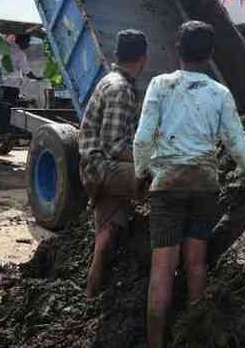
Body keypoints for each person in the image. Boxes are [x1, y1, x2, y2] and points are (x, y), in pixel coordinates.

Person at [133, 21, 245, 348]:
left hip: (167, 186)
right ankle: (193, 338)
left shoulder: (160, 86)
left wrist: (142, 174)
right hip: (205, 185)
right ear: (210, 55)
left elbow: (142, 139)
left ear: (177, 50)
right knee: (196, 263)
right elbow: (236, 143)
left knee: (162, 269)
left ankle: (155, 342)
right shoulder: (219, 93)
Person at [78, 29, 151, 298]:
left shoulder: (113, 81)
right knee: (161, 178)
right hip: (101, 168)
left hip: (98, 168)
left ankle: (91, 295)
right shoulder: (120, 89)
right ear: (142, 59)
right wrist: (151, 161)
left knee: (106, 237)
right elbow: (115, 146)